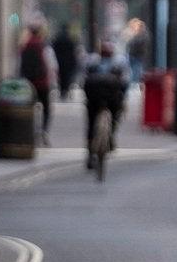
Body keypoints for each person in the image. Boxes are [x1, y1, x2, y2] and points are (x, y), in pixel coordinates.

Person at [81, 41, 130, 169]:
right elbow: (124, 83)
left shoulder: (92, 61)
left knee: (91, 124)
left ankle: (90, 154)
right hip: (112, 99)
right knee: (115, 116)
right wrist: (123, 99)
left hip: (94, 98)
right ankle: (110, 137)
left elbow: (85, 80)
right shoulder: (119, 62)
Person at [19, 24, 58, 146]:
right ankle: (43, 131)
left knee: (29, 108)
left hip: (28, 83)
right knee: (46, 109)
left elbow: (19, 66)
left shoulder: (24, 46)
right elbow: (52, 66)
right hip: (43, 83)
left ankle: (30, 131)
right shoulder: (44, 47)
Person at [51, 23, 81, 101]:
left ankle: (62, 91)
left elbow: (53, 49)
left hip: (59, 61)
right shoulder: (70, 39)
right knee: (68, 78)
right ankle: (66, 90)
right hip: (69, 62)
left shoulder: (57, 39)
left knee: (61, 77)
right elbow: (74, 51)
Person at [125, 19, 151, 85]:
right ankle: (134, 82)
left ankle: (135, 83)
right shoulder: (136, 34)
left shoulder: (143, 35)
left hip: (138, 55)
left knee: (136, 70)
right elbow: (129, 43)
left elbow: (136, 43)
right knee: (134, 70)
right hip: (133, 54)